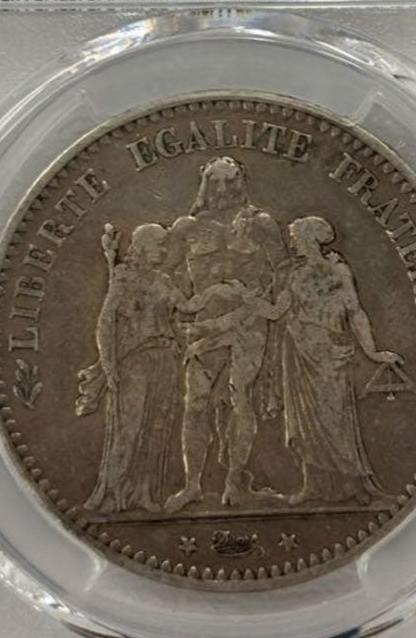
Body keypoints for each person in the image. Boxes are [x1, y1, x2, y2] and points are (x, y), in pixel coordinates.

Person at [78, 223, 233, 514]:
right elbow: (105, 322)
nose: (163, 250)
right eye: (159, 244)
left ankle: (144, 494)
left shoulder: (163, 281)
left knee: (157, 428)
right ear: (142, 246)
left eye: (164, 245)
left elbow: (187, 307)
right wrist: (109, 365)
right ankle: (113, 495)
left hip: (165, 360)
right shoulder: (123, 278)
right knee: (130, 427)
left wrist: (215, 290)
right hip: (135, 361)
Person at [163, 156, 289, 510]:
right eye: (215, 181)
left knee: (240, 397)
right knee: (195, 402)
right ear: (204, 182)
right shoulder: (187, 227)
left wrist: (266, 305)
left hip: (248, 325)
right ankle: (192, 485)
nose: (222, 189)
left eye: (230, 181)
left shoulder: (261, 223)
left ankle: (234, 482)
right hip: (203, 325)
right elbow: (165, 273)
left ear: (241, 182)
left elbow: (283, 271)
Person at [281, 216, 399, 507]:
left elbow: (355, 312)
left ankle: (356, 484)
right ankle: (312, 486)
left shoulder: (338, 271)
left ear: (310, 238)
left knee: (336, 418)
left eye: (295, 237)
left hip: (329, 353)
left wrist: (371, 351)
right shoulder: (294, 275)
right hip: (299, 352)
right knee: (306, 421)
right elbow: (279, 310)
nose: (292, 244)